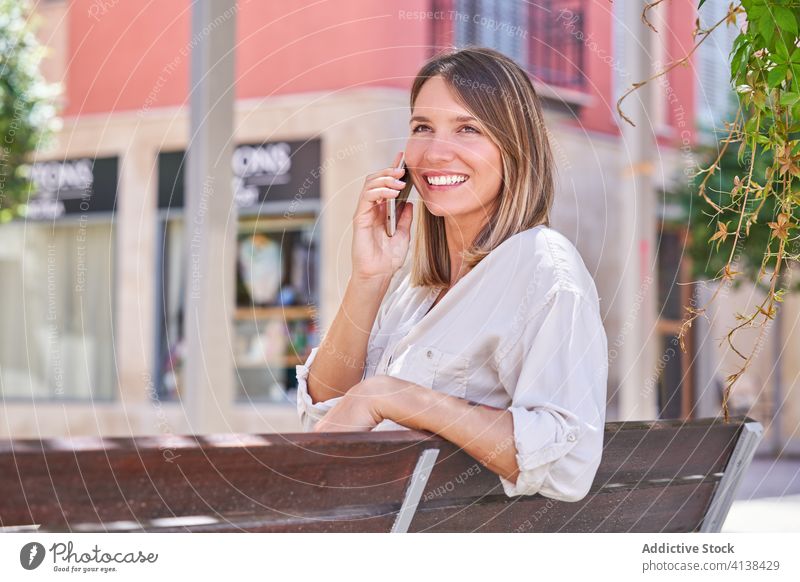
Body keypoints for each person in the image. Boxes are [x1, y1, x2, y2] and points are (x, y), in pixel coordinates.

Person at [295, 47, 608, 502]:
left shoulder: (542, 268)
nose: (436, 153)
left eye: (468, 129)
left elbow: (568, 464)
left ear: (514, 149)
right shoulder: (415, 292)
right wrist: (369, 277)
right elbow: (323, 419)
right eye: (423, 128)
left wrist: (394, 396)